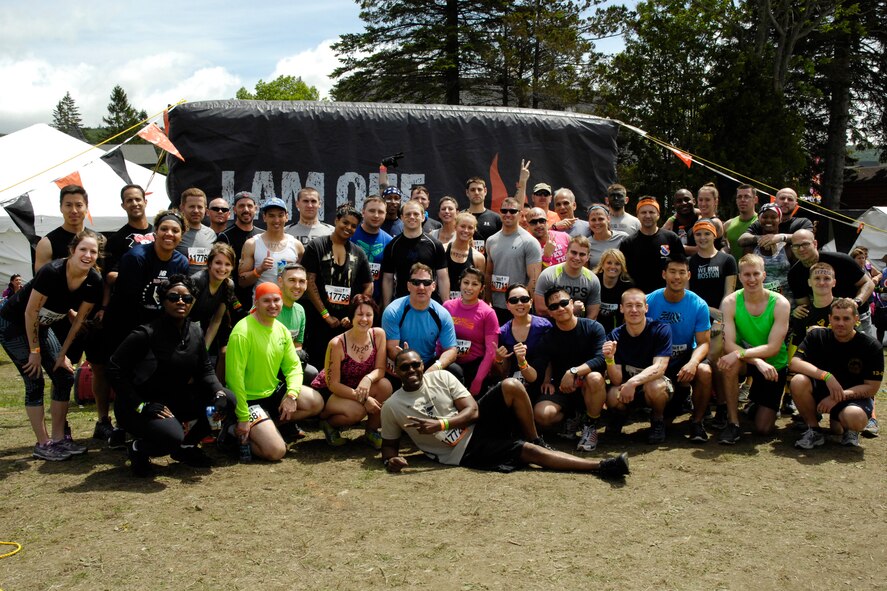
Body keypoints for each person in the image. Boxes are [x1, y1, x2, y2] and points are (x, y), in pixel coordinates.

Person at [380, 349, 630, 477]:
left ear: (423, 365)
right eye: (405, 367)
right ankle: (601, 466)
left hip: (474, 425)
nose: (412, 370)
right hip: (462, 451)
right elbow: (389, 446)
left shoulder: (442, 376)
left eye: (416, 365)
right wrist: (390, 460)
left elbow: (473, 411)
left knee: (511, 385)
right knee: (528, 454)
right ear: (397, 371)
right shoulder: (393, 406)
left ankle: (536, 439)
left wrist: (441, 424)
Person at [108, 275, 231, 476]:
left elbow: (205, 369)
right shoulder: (145, 334)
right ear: (163, 300)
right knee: (171, 437)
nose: (181, 302)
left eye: (187, 298)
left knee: (228, 399)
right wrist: (140, 405)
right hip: (140, 406)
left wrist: (218, 393)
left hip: (175, 400)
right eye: (174, 297)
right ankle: (138, 448)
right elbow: (114, 369)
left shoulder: (195, 331)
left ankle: (187, 448)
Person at [0, 229, 103, 461]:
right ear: (72, 251)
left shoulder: (94, 280)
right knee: (34, 378)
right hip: (14, 323)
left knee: (64, 375)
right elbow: (30, 312)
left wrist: (63, 354)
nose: (88, 255)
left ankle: (58, 439)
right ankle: (42, 442)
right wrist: (34, 352)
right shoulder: (52, 271)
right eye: (83, 250)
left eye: (93, 251)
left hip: (43, 325)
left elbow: (78, 322)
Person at [97, 210, 191, 442]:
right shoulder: (136, 257)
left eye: (175, 230)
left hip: (157, 328)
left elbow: (177, 298)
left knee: (152, 376)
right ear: (155, 232)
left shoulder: (180, 261)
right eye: (164, 229)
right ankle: (124, 426)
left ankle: (151, 422)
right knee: (127, 376)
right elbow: (130, 300)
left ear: (181, 235)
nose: (169, 234)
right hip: (125, 326)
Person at [225, 282, 324, 461]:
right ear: (256, 303)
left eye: (276, 300)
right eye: (266, 301)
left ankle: (268, 426)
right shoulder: (242, 332)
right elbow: (234, 379)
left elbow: (293, 367)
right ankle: (231, 431)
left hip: (271, 393)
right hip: (248, 400)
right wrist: (242, 416)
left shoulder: (281, 330)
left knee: (315, 402)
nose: (273, 305)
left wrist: (292, 395)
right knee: (276, 451)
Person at [790, 298, 883, 449]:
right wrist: (826, 376)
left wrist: (837, 397)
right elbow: (794, 363)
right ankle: (814, 430)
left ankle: (849, 430)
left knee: (853, 419)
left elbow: (872, 388)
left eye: (846, 318)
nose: (841, 323)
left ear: (856, 319)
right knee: (798, 381)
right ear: (829, 319)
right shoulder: (817, 336)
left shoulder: (871, 346)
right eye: (836, 318)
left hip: (850, 395)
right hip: (821, 390)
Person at [717, 254, 791, 444]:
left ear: (764, 275)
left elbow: (774, 347)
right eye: (747, 275)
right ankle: (732, 422)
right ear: (740, 277)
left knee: (763, 429)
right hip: (749, 361)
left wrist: (749, 356)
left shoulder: (780, 303)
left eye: (756, 274)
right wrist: (756, 361)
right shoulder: (731, 302)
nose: (751, 279)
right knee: (729, 364)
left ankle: (755, 403)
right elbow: (729, 344)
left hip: (773, 365)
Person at [646, 256, 713, 441]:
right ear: (664, 274)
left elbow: (704, 343)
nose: (677, 277)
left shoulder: (698, 304)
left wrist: (693, 362)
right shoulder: (648, 302)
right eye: (672, 272)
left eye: (682, 272)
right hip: (658, 359)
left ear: (689, 275)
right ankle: (658, 420)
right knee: (667, 417)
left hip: (685, 357)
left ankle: (697, 422)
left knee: (705, 370)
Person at [312, 295, 393, 448]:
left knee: (385, 385)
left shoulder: (378, 335)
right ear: (351, 317)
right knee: (357, 412)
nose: (364, 319)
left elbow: (380, 370)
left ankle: (371, 431)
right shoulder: (337, 344)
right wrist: (363, 398)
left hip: (361, 387)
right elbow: (333, 385)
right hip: (336, 392)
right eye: (359, 314)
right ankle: (328, 424)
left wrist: (368, 379)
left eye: (369, 315)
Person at [533, 287, 608, 451]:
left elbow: (601, 359)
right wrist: (547, 380)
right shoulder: (549, 336)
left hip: (588, 386)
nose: (560, 308)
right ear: (550, 313)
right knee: (542, 415)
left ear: (572, 304)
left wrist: (573, 371)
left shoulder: (594, 327)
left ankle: (590, 425)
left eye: (564, 303)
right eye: (553, 307)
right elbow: (544, 360)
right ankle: (571, 420)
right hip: (563, 389)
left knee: (595, 378)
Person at [302, 204, 374, 366]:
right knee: (318, 365)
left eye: (354, 226)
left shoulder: (359, 252)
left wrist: (354, 314)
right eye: (345, 223)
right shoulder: (316, 246)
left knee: (344, 366)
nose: (348, 228)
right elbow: (309, 281)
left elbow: (368, 285)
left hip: (346, 325)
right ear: (336, 220)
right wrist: (326, 315)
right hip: (318, 322)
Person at [603, 289, 674, 444]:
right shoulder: (615, 336)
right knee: (612, 395)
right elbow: (616, 380)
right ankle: (621, 416)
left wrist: (632, 382)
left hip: (652, 385)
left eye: (638, 305)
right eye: (629, 305)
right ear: (621, 308)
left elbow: (659, 368)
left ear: (646, 308)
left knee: (655, 386)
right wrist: (609, 359)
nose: (634, 310)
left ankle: (657, 420)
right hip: (627, 389)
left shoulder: (661, 329)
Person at [788, 229, 875, 336]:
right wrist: (799, 311)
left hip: (858, 314)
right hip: (824, 319)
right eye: (796, 246)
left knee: (862, 350)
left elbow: (868, 283)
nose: (801, 249)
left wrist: (856, 302)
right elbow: (805, 305)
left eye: (805, 244)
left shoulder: (841, 260)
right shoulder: (794, 274)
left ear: (815, 244)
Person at [382, 263, 459, 378]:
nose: (421, 287)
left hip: (429, 364)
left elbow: (451, 350)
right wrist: (408, 360)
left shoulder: (442, 314)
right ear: (408, 286)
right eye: (416, 282)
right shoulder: (393, 311)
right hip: (402, 362)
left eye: (426, 283)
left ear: (433, 286)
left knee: (456, 371)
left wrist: (436, 367)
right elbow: (392, 349)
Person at [484, 196, 543, 324]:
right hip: (496, 306)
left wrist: (522, 304)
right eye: (504, 211)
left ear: (520, 214)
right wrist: (488, 300)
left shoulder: (529, 242)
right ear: (500, 213)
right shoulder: (491, 240)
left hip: (519, 307)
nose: (508, 214)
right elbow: (488, 273)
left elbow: (534, 278)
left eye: (512, 211)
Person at [442, 267, 499, 396]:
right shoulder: (447, 306)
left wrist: (477, 381)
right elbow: (439, 340)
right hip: (450, 364)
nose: (469, 287)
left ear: (482, 288)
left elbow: (491, 351)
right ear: (460, 283)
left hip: (475, 368)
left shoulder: (488, 313)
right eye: (466, 282)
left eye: (475, 284)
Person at [381, 200, 449, 306]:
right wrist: (386, 308)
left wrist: (446, 306)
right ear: (401, 217)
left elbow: (442, 277)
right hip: (402, 304)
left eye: (416, 214)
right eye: (408, 214)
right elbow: (388, 279)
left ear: (423, 217)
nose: (412, 217)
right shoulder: (392, 246)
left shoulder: (435, 245)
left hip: (430, 304)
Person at [494, 284, 552, 400]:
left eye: (524, 299)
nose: (520, 303)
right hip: (515, 384)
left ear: (531, 302)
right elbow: (503, 371)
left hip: (542, 383)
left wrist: (547, 380)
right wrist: (499, 360)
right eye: (514, 300)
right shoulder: (503, 332)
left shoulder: (544, 326)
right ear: (508, 305)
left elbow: (550, 357)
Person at [188, 243, 240, 369]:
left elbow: (216, 321)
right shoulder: (198, 280)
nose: (222, 268)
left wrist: (204, 349)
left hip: (199, 327)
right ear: (210, 263)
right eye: (218, 263)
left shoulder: (229, 285)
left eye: (227, 264)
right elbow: (182, 316)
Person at [619, 196, 685, 295]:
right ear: (637, 215)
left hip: (667, 296)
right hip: (638, 298)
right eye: (643, 212)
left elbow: (682, 268)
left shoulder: (671, 238)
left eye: (651, 212)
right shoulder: (628, 243)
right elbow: (623, 274)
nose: (648, 216)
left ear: (658, 214)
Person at [238, 197, 304, 291]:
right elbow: (242, 282)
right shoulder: (252, 244)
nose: (276, 220)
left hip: (287, 304)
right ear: (264, 217)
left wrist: (293, 271)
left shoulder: (297, 245)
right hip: (262, 303)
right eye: (271, 216)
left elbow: (304, 279)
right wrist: (259, 270)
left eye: (280, 215)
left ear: (286, 217)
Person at [534, 235, 601, 319]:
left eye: (582, 254)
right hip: (551, 326)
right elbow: (540, 310)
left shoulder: (592, 280)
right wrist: (571, 310)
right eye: (574, 252)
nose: (577, 257)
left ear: (587, 257)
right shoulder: (548, 275)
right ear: (566, 252)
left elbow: (592, 315)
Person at [217, 191, 262, 314]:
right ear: (234, 209)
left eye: (249, 206)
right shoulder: (225, 237)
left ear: (256, 208)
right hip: (234, 302)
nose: (246, 209)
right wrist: (235, 303)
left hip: (260, 299)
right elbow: (221, 273)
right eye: (241, 206)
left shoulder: (262, 236)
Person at [33, 184, 89, 273]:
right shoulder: (47, 244)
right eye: (68, 205)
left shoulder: (98, 240)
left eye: (79, 205)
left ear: (86, 208)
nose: (74, 210)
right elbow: (41, 283)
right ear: (61, 208)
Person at [737, 187, 813, 249]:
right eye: (782, 198)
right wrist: (763, 238)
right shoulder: (763, 223)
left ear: (796, 205)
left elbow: (809, 238)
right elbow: (742, 239)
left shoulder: (803, 223)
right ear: (774, 200)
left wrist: (781, 237)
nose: (785, 201)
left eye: (790, 199)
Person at [350, 194, 393, 303]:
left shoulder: (389, 241)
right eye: (372, 211)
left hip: (374, 303)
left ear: (385, 214)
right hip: (347, 301)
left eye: (381, 212)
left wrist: (384, 305)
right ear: (363, 212)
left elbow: (388, 278)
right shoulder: (349, 235)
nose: (376, 215)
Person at [749, 204, 794, 306]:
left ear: (780, 219)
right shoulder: (751, 247)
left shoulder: (788, 246)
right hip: (759, 305)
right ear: (759, 220)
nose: (769, 220)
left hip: (786, 304)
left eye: (773, 217)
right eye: (765, 217)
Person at [442, 211, 486, 300]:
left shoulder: (478, 257)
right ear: (455, 227)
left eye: (470, 228)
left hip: (467, 306)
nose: (466, 230)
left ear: (474, 230)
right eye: (462, 226)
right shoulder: (442, 249)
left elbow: (479, 286)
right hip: (442, 303)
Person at [176, 187, 217, 276]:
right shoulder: (175, 232)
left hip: (204, 287)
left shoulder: (211, 234)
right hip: (181, 286)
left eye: (199, 207)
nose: (196, 211)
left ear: (205, 210)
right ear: (182, 208)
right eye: (191, 206)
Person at [594, 249, 635, 333]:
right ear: (602, 265)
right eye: (609, 263)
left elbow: (626, 315)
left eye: (617, 264)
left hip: (616, 329)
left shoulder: (627, 286)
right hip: (594, 327)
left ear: (622, 267)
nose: (613, 267)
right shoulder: (594, 280)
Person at [465, 176, 502, 251]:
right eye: (472, 190)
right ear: (467, 192)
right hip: (464, 261)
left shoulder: (496, 218)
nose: (476, 193)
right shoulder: (460, 217)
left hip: (490, 261)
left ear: (485, 191)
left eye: (479, 189)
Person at [586, 204, 629, 269]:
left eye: (601, 219)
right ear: (588, 222)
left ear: (608, 219)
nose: (597, 222)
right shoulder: (587, 244)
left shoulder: (623, 238)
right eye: (593, 220)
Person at [723, 184, 758, 260]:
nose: (742, 200)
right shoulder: (728, 224)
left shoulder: (761, 222)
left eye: (746, 196)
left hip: (754, 270)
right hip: (733, 271)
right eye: (739, 197)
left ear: (755, 199)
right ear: (736, 200)